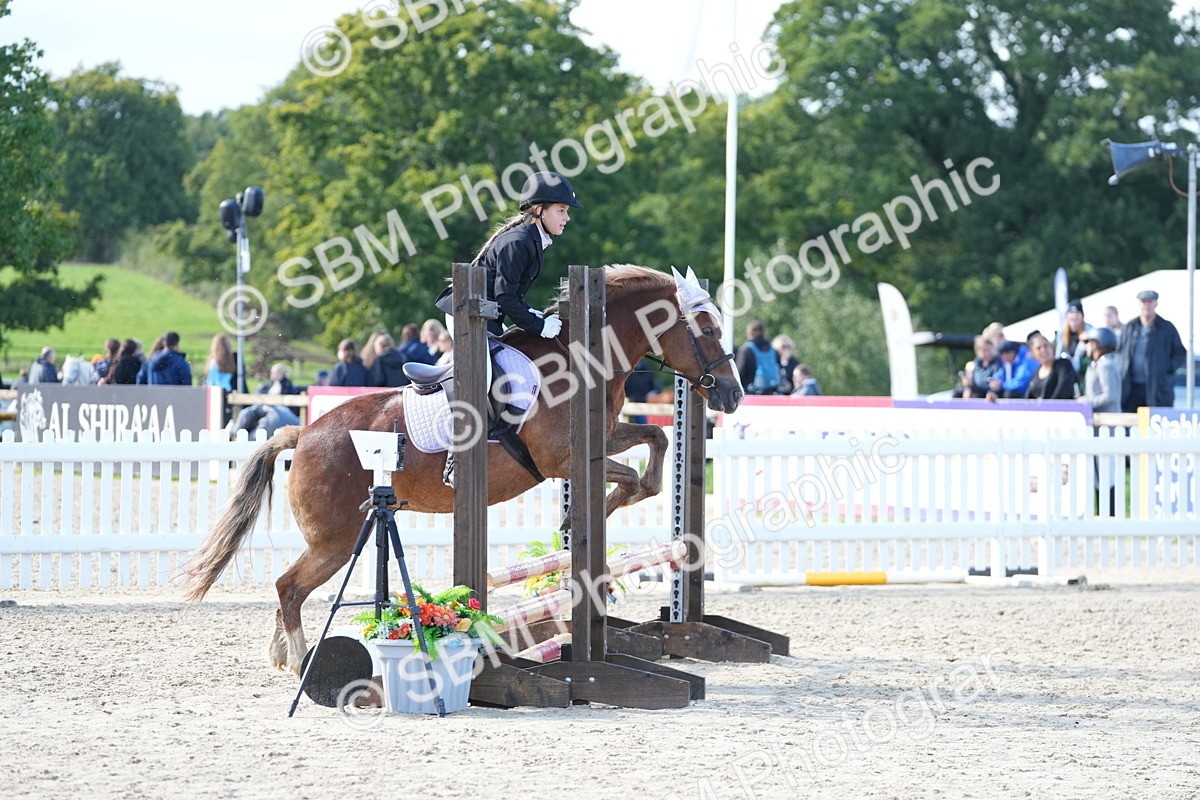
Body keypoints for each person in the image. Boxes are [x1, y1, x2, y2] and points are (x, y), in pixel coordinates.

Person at [455, 171, 580, 338]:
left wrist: (530, 312)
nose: (567, 218)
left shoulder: (532, 240)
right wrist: (539, 326)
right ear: (540, 210)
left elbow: (513, 293)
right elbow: (505, 296)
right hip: (466, 312)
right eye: (561, 210)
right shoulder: (518, 243)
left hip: (485, 313)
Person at [1117, 289, 1186, 411]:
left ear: (1156, 304)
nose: (1147, 305)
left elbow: (1180, 354)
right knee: (1130, 420)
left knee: (1156, 420)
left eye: (1150, 302)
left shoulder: (1167, 328)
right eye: (1144, 302)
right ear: (1139, 304)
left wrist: (1166, 368)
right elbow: (1119, 351)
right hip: (1131, 388)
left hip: (1158, 388)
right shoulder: (1129, 327)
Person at [1081, 327, 1122, 513]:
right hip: (1098, 426)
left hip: (1108, 425)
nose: (1087, 347)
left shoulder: (1106, 366)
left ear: (1098, 344)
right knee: (1099, 474)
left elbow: (1110, 396)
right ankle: (1103, 511)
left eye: (1089, 342)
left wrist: (1086, 403)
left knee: (1108, 473)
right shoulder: (1096, 364)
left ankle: (1110, 512)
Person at [231, 363, 301, 438]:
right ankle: (233, 433)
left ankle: (250, 438)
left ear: (281, 374)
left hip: (279, 410)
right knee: (247, 413)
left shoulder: (288, 386)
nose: (271, 374)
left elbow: (289, 400)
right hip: (265, 406)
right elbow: (261, 393)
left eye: (275, 372)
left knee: (266, 422)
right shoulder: (269, 385)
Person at [1025, 331, 1079, 400]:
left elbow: (1064, 392)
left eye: (1045, 345)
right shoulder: (1036, 373)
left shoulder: (1063, 365)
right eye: (1038, 348)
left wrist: (1047, 406)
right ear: (1033, 353)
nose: (1043, 350)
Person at [735, 321, 781, 395]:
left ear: (750, 332)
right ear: (763, 332)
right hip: (773, 393)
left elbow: (739, 374)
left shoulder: (747, 350)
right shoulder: (773, 350)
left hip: (753, 394)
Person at [1055, 299, 1092, 375]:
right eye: (1071, 313)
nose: (1074, 316)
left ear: (1082, 316)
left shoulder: (1090, 332)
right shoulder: (1061, 334)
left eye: (1077, 313)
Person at [624, 356, 664, 423]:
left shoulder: (647, 369)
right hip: (630, 402)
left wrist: (653, 393)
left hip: (644, 403)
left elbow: (653, 386)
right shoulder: (626, 371)